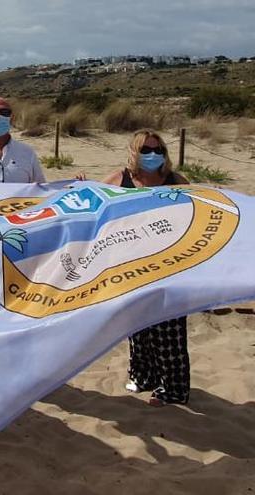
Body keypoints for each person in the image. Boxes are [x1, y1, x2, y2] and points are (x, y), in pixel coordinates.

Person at [79, 129, 190, 407]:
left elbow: (197, 211)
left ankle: (174, 388)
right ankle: (143, 377)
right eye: (146, 151)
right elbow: (96, 201)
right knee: (138, 324)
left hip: (169, 262)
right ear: (135, 153)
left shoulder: (175, 181)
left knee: (169, 327)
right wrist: (83, 187)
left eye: (157, 150)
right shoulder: (122, 178)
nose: (152, 156)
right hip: (131, 262)